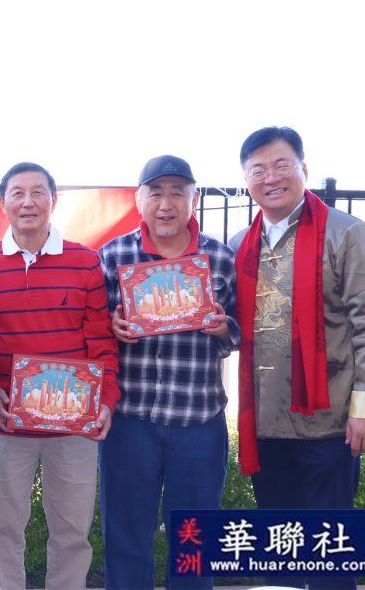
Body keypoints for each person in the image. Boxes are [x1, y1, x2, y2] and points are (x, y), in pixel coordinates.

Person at [232, 127, 365, 590]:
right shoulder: (240, 244)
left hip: (329, 423)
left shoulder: (348, 234)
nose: (271, 177)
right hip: (264, 425)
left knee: (329, 550)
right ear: (246, 180)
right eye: (258, 170)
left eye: (281, 165)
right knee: (282, 551)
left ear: (303, 168)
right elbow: (228, 323)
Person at [98, 155, 239, 590]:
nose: (166, 203)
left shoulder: (219, 258)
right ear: (138, 200)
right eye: (155, 193)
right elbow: (93, 335)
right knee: (125, 534)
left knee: (193, 541)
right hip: (130, 421)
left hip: (198, 420)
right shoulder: (113, 255)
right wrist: (111, 327)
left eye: (178, 192)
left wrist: (223, 328)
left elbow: (240, 334)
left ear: (193, 200)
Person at [0, 162, 120, 590]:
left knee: (72, 532)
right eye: (17, 193)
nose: (28, 202)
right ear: (2, 202)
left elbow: (101, 341)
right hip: (4, 425)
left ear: (53, 201)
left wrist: (106, 400)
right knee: (2, 528)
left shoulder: (85, 262)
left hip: (73, 427)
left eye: (38, 192)